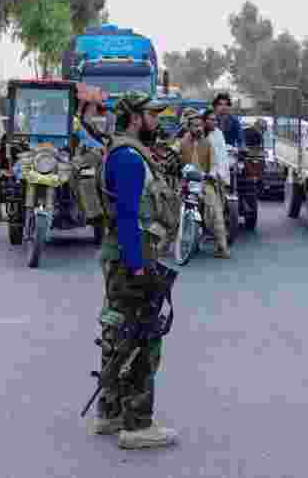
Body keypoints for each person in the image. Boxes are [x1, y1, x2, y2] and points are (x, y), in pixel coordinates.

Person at [91, 91, 178, 450]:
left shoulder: (124, 152)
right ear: (134, 117)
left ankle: (109, 412)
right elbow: (127, 216)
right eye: (151, 114)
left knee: (118, 331)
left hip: (123, 257)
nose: (157, 120)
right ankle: (137, 424)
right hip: (133, 258)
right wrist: (139, 267)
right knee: (143, 338)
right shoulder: (128, 158)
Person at [179, 109, 229, 258]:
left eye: (200, 125)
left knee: (216, 213)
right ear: (189, 127)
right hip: (185, 183)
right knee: (172, 209)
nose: (198, 128)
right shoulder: (181, 142)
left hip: (204, 182)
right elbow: (172, 154)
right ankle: (162, 247)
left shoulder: (208, 143)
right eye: (194, 125)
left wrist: (212, 174)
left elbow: (214, 163)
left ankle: (222, 247)